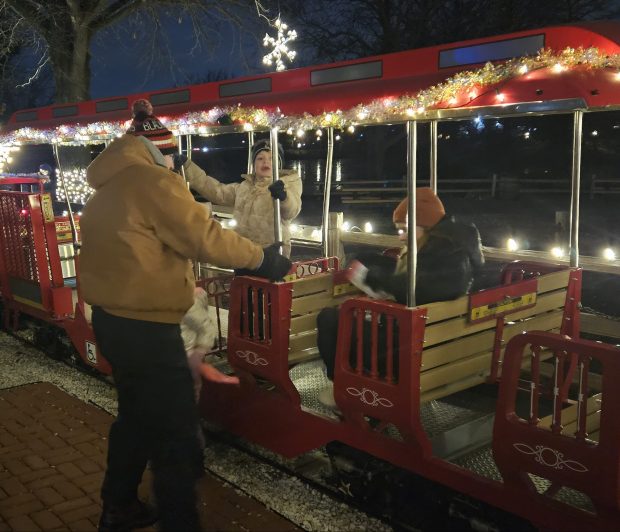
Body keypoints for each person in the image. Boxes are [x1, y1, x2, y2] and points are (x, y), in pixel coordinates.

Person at [79, 99, 291, 532]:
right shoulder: (153, 183)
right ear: (161, 152)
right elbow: (204, 236)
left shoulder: (108, 187)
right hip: (148, 328)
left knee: (136, 417)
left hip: (112, 321)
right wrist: (261, 260)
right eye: (172, 154)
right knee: (177, 437)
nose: (175, 162)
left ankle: (119, 506)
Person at [316, 188, 484, 408]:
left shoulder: (448, 255)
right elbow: (423, 278)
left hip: (414, 347)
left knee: (332, 320)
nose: (402, 236)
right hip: (434, 339)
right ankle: (348, 387)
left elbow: (420, 287)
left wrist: (376, 279)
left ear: (424, 225)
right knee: (344, 319)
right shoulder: (450, 249)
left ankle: (345, 388)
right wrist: (376, 266)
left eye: (405, 229)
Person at [175, 139, 302, 257]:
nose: (266, 162)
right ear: (254, 164)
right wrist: (187, 167)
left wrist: (284, 197)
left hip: (272, 252)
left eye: (271, 158)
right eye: (260, 158)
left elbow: (292, 210)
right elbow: (216, 191)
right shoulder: (244, 187)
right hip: (243, 252)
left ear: (278, 163)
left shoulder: (287, 184)